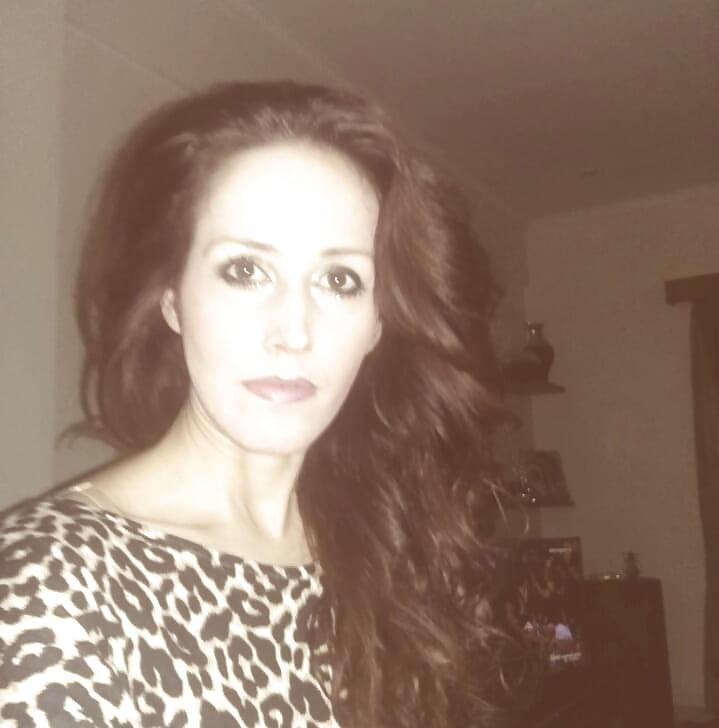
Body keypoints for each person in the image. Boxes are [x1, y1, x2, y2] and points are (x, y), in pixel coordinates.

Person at [0, 81, 517, 727]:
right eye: (245, 271)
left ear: (377, 324)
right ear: (171, 299)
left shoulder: (382, 545)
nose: (293, 332)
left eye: (339, 280)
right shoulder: (46, 589)